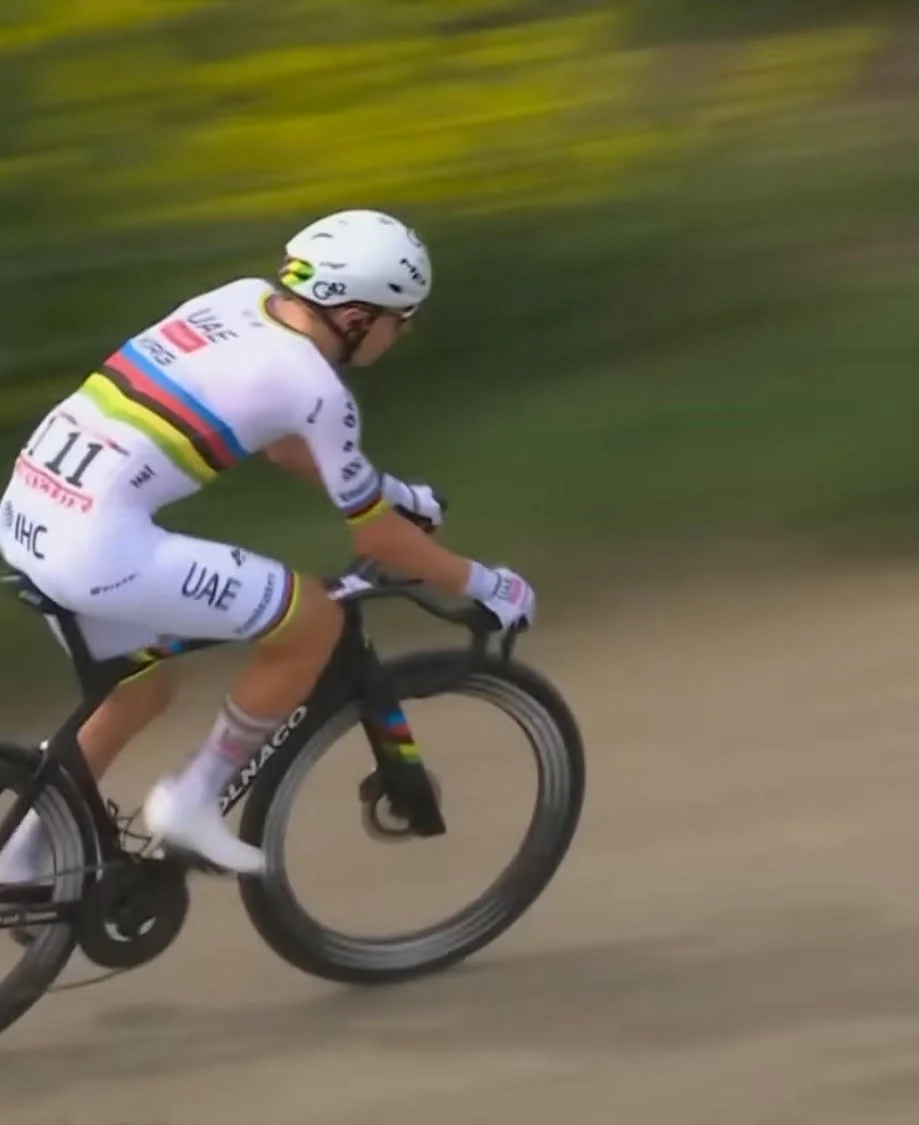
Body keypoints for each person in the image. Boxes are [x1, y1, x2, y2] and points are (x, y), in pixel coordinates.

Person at [0, 209, 535, 880]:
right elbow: (379, 540)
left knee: (134, 693)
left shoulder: (235, 300)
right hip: (97, 546)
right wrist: (488, 584)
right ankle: (191, 802)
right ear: (356, 317)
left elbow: (285, 445)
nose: (400, 334)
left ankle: (19, 857)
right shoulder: (316, 386)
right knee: (312, 620)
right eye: (401, 318)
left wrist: (395, 491)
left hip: (28, 512)